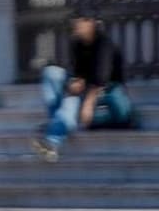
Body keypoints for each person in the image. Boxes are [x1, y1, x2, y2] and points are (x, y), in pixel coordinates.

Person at [35, 13, 140, 160]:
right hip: (84, 85)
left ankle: (52, 142)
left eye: (79, 21)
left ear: (90, 23)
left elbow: (101, 78)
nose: (75, 25)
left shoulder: (104, 43)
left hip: (103, 90)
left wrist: (88, 104)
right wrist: (76, 81)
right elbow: (77, 69)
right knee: (51, 73)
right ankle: (56, 122)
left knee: (70, 104)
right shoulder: (76, 43)